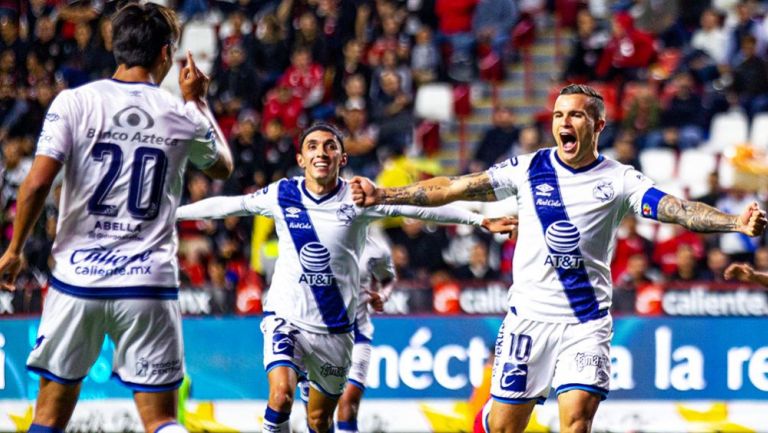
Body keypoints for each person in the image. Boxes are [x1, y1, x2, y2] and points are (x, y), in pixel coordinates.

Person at [350, 84, 767, 433]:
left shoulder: (620, 179)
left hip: (586, 323)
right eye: (558, 115)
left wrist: (735, 223)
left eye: (577, 116)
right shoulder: (528, 168)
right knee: (503, 427)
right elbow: (456, 187)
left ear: (599, 125)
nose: (564, 123)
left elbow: (677, 209)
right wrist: (386, 195)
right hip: (529, 319)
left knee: (576, 421)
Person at [175, 122, 516, 433]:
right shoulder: (282, 194)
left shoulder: (359, 198)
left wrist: (478, 220)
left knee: (319, 419)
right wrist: (172, 215)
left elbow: (420, 208)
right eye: (312, 146)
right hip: (287, 318)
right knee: (280, 396)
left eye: (329, 146)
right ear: (300, 158)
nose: (321, 152)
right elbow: (228, 206)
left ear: (342, 157)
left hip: (336, 331)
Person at [0, 3, 233, 433]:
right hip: (148, 285)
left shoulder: (74, 103)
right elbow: (223, 166)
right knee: (162, 420)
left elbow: (34, 185)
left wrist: (14, 250)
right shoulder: (180, 115)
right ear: (166, 54)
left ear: (114, 45)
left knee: (47, 419)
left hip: (77, 282)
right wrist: (198, 102)